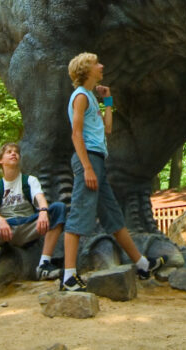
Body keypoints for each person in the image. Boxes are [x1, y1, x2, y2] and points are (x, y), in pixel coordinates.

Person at [60, 52, 164, 292]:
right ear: (86, 69)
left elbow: (107, 128)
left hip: (98, 160)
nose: (101, 65)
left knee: (114, 217)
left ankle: (142, 265)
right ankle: (68, 277)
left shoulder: (92, 98)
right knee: (78, 215)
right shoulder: (80, 97)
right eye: (97, 63)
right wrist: (87, 168)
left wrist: (108, 101)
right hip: (88, 160)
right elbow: (76, 134)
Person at [0, 142, 66, 293]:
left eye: (16, 152)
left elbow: (40, 197)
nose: (13, 154)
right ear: (0, 160)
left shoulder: (30, 181)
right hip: (6, 230)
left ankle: (43, 266)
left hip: (28, 225)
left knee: (59, 208)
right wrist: (1, 221)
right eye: (9, 152)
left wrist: (43, 211)